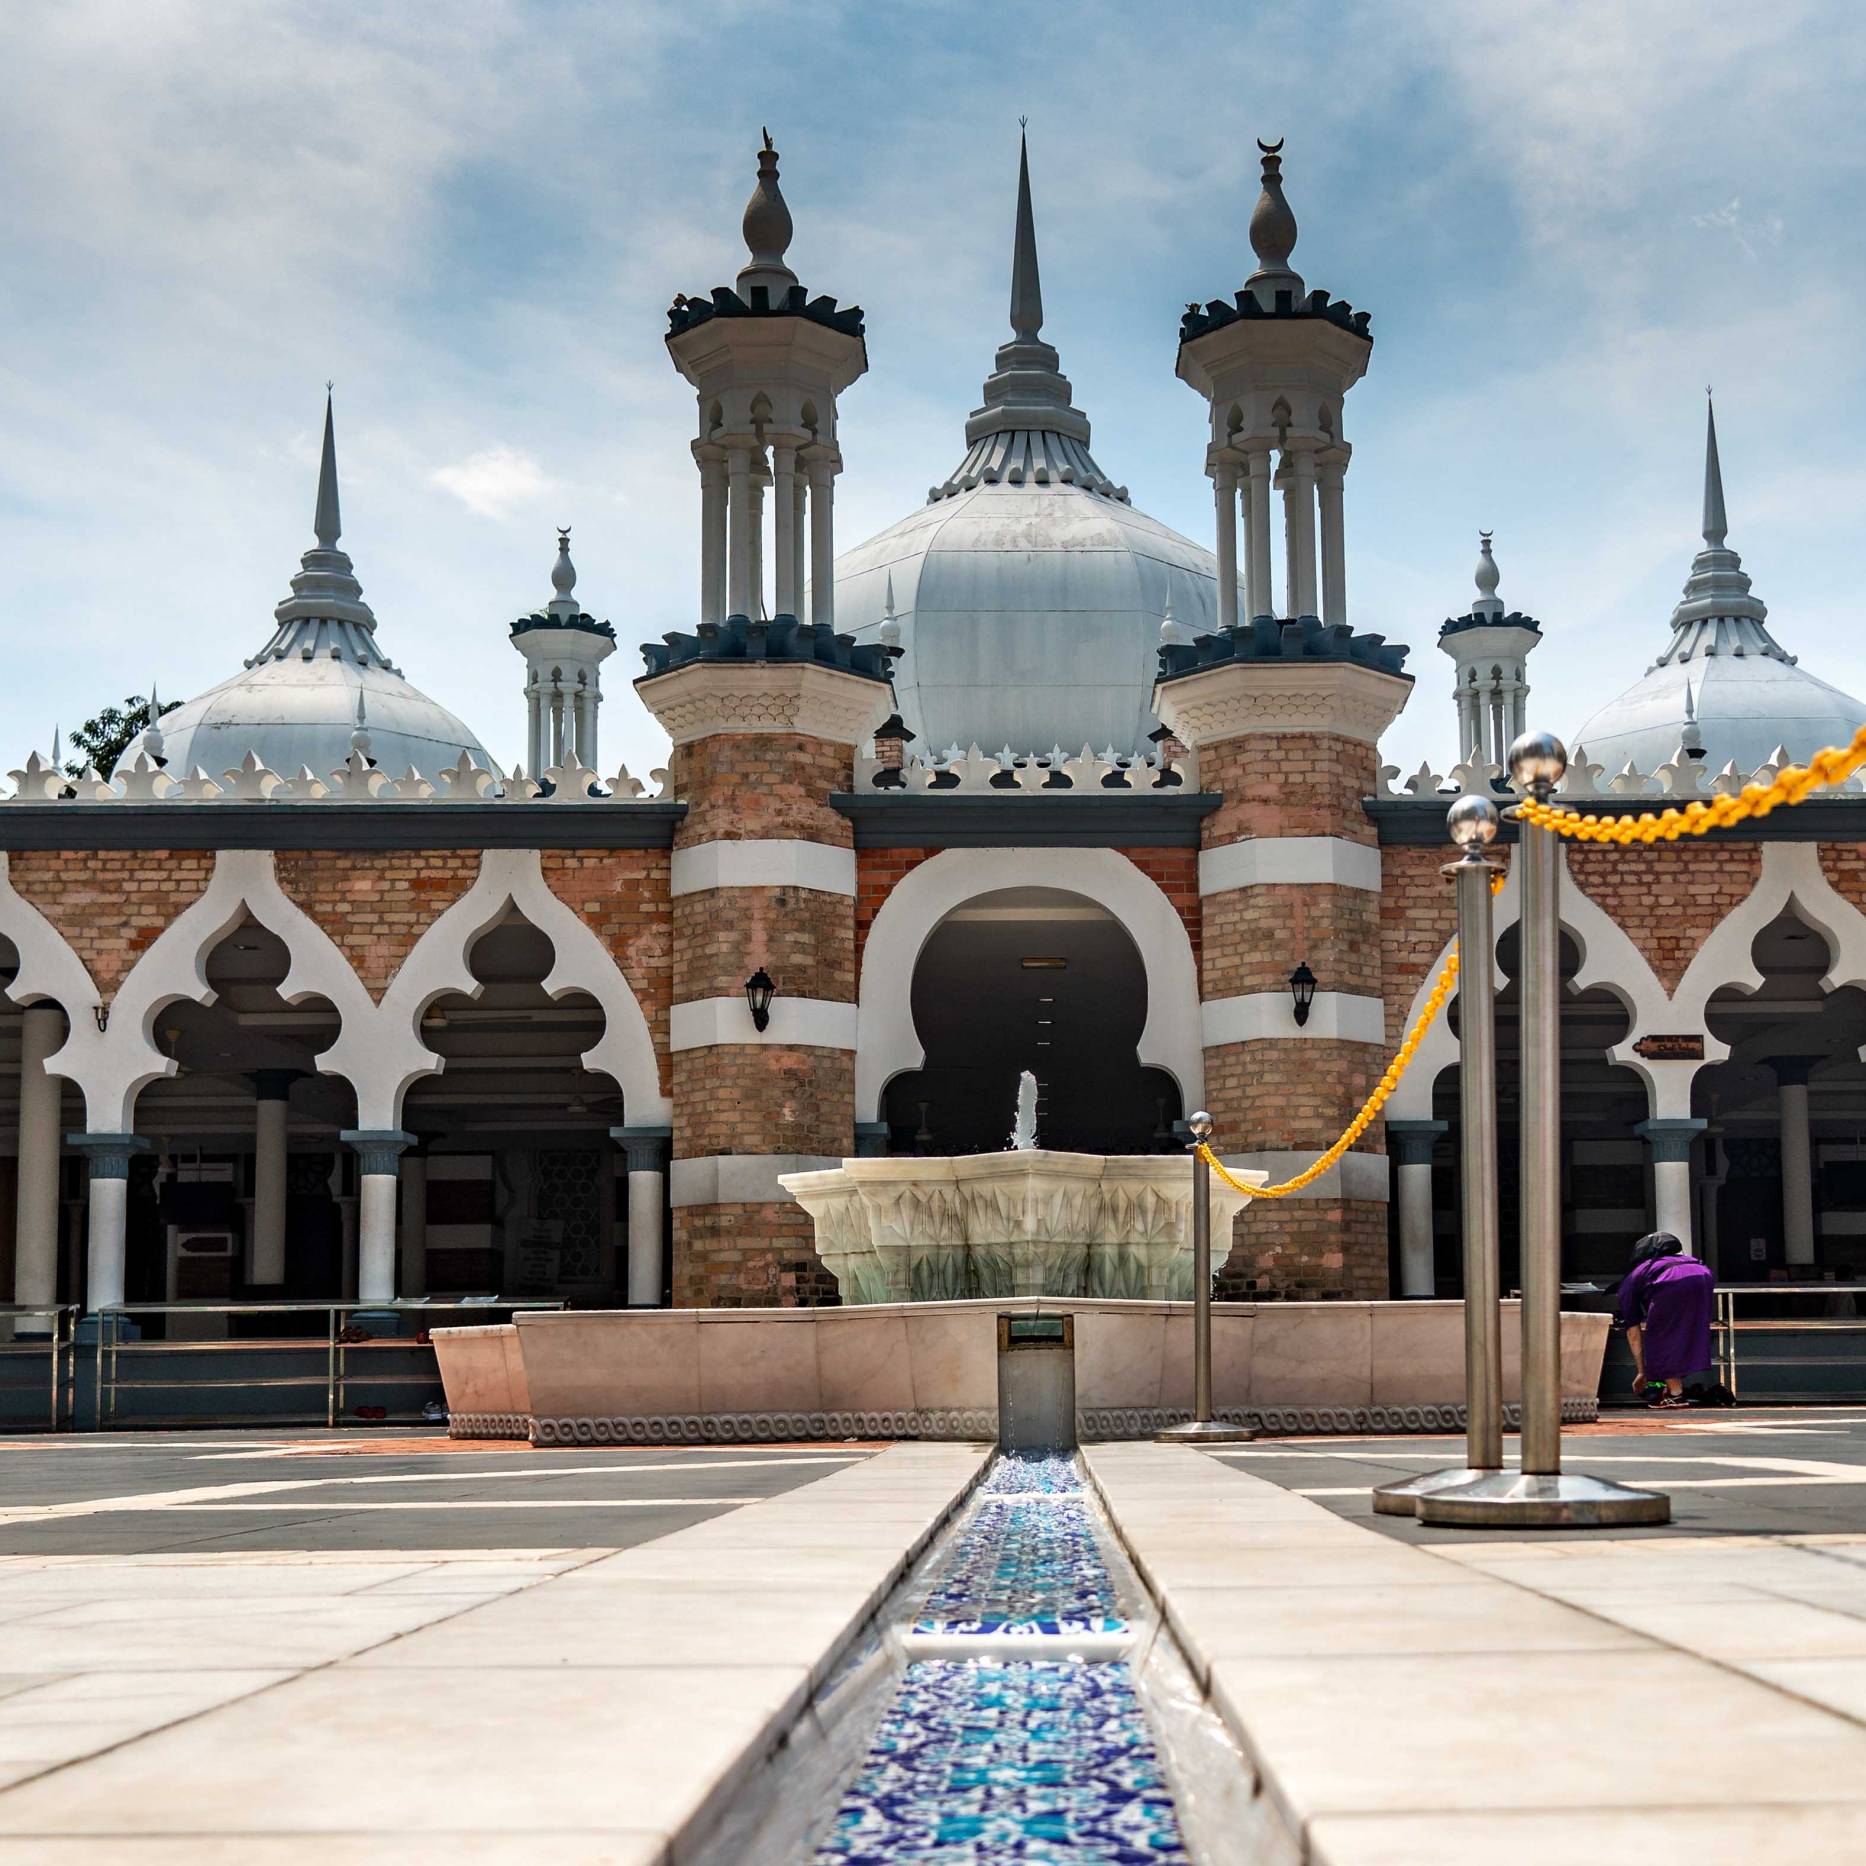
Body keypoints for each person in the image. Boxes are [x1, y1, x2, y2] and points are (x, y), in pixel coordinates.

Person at [1617, 1232, 1716, 1408]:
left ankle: (1675, 1394)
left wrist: (1642, 1371)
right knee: (1687, 1332)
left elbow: (1632, 1328)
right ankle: (1674, 1387)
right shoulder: (1689, 1259)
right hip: (1704, 1276)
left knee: (1661, 1336)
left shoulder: (1636, 1274)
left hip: (1670, 1282)